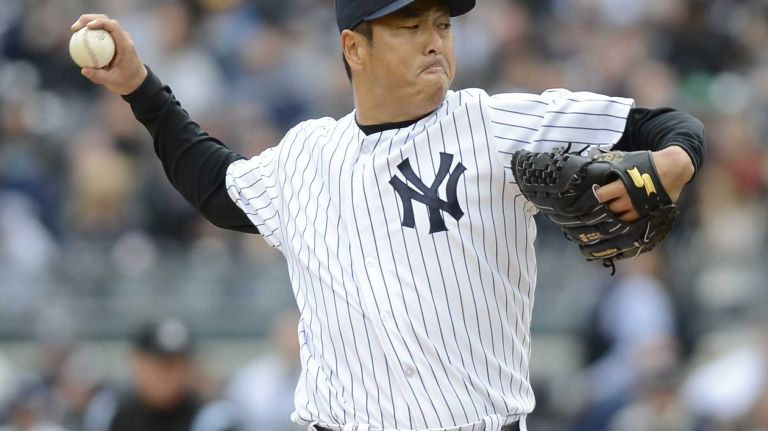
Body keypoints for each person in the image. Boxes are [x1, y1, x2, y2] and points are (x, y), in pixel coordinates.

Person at [71, 0, 706, 429]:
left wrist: (673, 163)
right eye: (409, 25)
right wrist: (139, 86)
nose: (435, 40)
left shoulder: (497, 124)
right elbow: (214, 185)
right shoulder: (307, 156)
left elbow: (664, 124)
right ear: (355, 47)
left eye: (442, 24)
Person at [83, 319, 233, 431]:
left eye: (180, 363)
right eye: (162, 364)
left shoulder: (212, 417)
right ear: (137, 362)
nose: (171, 374)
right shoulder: (109, 411)